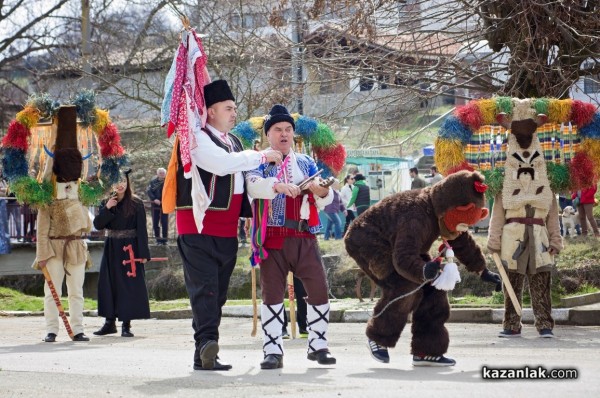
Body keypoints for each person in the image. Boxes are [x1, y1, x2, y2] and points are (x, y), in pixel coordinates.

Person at [168, 80, 282, 371]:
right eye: (228, 108)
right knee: (204, 290)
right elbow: (220, 164)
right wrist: (260, 155)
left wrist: (278, 187)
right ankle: (207, 344)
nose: (234, 113)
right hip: (198, 228)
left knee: (217, 293)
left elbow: (244, 183)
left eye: (234, 108)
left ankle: (205, 351)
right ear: (210, 111)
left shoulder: (235, 142)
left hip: (226, 231)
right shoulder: (195, 137)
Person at [246, 104, 337, 370]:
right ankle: (272, 350)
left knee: (319, 288)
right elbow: (252, 187)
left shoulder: (307, 162)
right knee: (272, 294)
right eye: (278, 130)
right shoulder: (258, 160)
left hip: (304, 236)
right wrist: (276, 185)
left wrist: (321, 191)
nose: (284, 134)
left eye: (288, 129)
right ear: (268, 134)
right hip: (272, 237)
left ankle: (318, 344)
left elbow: (328, 200)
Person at [487, 113, 563, 338]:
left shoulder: (545, 186)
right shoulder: (505, 186)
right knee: (511, 282)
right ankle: (511, 325)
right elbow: (498, 215)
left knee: (541, 280)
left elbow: (552, 216)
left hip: (539, 237)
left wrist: (556, 240)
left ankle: (545, 325)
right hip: (513, 237)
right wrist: (494, 241)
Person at [34, 105, 92, 343]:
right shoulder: (47, 195)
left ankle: (78, 328)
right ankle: (52, 329)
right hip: (54, 247)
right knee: (52, 291)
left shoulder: (83, 193)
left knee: (77, 291)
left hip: (76, 246)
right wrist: (43, 253)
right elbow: (42, 227)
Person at [93, 170, 151, 338]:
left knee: (127, 285)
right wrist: (108, 208)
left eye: (123, 181)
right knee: (109, 283)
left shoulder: (136, 203)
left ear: (127, 182)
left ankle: (126, 324)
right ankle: (109, 323)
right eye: (117, 181)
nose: (120, 184)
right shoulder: (106, 202)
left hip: (130, 248)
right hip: (111, 247)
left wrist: (144, 253)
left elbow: (142, 230)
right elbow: (98, 225)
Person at [147, 168, 169, 245]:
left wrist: (165, 200)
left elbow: (170, 192)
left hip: (164, 205)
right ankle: (158, 239)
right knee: (155, 222)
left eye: (163, 173)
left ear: (165, 174)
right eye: (160, 173)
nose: (161, 174)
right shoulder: (153, 182)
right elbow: (149, 191)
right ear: (157, 174)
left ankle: (165, 239)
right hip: (155, 204)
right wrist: (154, 199)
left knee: (164, 222)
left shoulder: (168, 182)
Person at [0, 177, 10, 254]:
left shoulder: (3, 181)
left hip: (3, 203)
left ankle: (5, 249)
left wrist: (4, 190)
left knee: (4, 226)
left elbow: (8, 192)